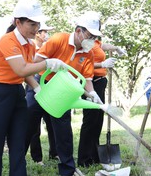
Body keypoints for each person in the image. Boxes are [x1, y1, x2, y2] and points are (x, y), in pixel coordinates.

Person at [0, 0, 66, 176]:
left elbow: (26, 74)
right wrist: (48, 63)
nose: (36, 29)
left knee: (18, 145)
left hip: (17, 94)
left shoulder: (29, 44)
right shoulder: (8, 41)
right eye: (31, 24)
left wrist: (37, 89)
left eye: (38, 24)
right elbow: (21, 69)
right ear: (17, 22)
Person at [30, 11, 103, 176]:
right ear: (78, 31)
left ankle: (68, 169)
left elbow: (87, 78)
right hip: (42, 84)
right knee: (28, 121)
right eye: (90, 36)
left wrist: (92, 94)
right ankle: (18, 161)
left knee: (63, 129)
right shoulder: (58, 39)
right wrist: (49, 64)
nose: (93, 41)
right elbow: (35, 62)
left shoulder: (88, 53)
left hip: (63, 91)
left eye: (95, 37)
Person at [77, 12, 127, 166]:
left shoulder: (94, 42)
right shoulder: (84, 45)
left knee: (98, 120)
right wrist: (103, 64)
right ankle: (84, 158)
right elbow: (82, 65)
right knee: (90, 120)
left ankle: (94, 155)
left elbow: (103, 45)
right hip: (90, 84)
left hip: (100, 83)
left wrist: (117, 48)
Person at [25, 22, 58, 166]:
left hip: (50, 86)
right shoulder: (31, 47)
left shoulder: (50, 47)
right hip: (35, 85)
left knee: (51, 122)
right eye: (45, 32)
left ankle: (55, 153)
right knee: (34, 123)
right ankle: (37, 157)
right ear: (37, 33)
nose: (47, 35)